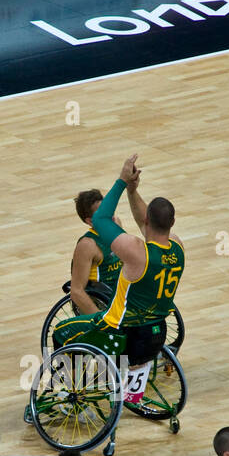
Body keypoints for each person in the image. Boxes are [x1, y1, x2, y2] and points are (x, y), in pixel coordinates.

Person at [52, 155, 182, 405]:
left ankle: (65, 392)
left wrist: (123, 182)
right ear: (172, 223)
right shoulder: (177, 247)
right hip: (157, 331)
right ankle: (133, 394)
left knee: (61, 333)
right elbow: (77, 291)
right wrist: (134, 191)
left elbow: (103, 220)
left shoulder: (134, 250)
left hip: (123, 326)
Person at [68, 188, 124, 315]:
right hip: (102, 299)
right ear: (90, 221)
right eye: (102, 213)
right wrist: (100, 320)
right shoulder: (87, 245)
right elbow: (77, 292)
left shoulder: (117, 224)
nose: (109, 215)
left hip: (121, 292)